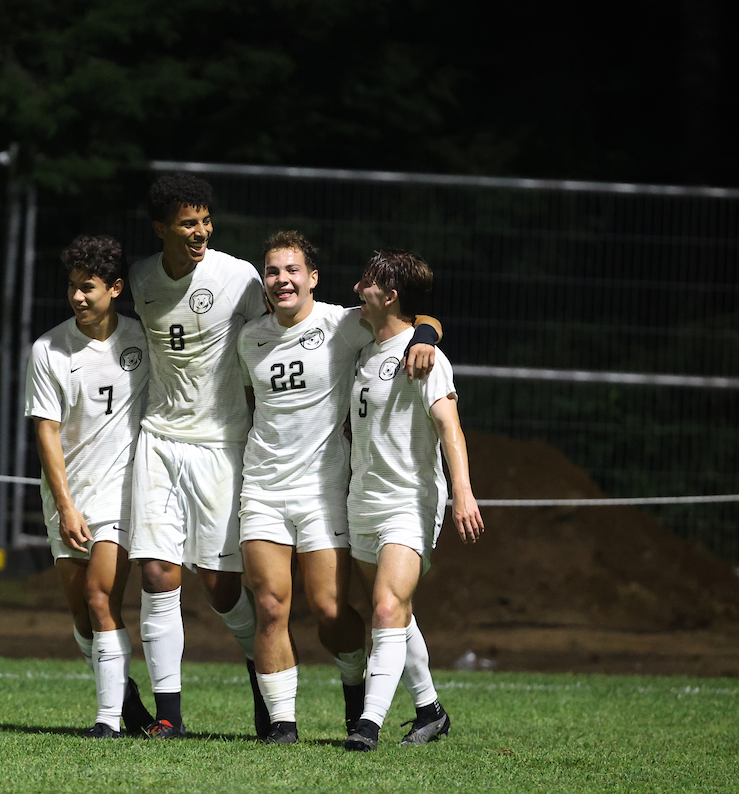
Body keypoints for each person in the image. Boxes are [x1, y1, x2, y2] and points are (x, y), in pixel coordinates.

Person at [237, 231, 444, 744]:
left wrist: (426, 338)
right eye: (272, 271)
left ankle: (356, 690)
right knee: (269, 606)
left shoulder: (341, 324)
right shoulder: (250, 338)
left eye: (291, 270)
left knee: (330, 610)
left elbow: (413, 316)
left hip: (323, 490)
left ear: (312, 278)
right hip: (262, 486)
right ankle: (281, 725)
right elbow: (250, 406)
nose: (281, 280)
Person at [127, 174, 270, 738]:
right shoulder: (139, 278)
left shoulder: (239, 277)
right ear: (161, 227)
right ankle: (170, 718)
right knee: (158, 573)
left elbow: (273, 340)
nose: (201, 232)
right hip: (159, 440)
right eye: (188, 223)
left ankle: (266, 678)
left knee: (220, 586)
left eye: (206, 220)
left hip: (222, 445)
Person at [343, 248, 485, 752]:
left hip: (410, 502)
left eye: (368, 282)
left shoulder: (427, 356)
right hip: (362, 502)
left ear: (391, 294)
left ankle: (368, 724)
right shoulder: (362, 348)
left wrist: (462, 494)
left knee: (385, 608)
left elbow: (450, 427)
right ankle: (430, 711)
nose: (358, 288)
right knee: (396, 613)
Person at [24, 234, 155, 738]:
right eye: (73, 288)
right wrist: (64, 503)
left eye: (89, 288)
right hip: (67, 494)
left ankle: (106, 722)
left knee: (102, 599)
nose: (78, 297)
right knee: (82, 614)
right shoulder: (49, 349)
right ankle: (127, 700)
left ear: (116, 288)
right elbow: (46, 431)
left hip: (120, 489)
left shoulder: (143, 340)